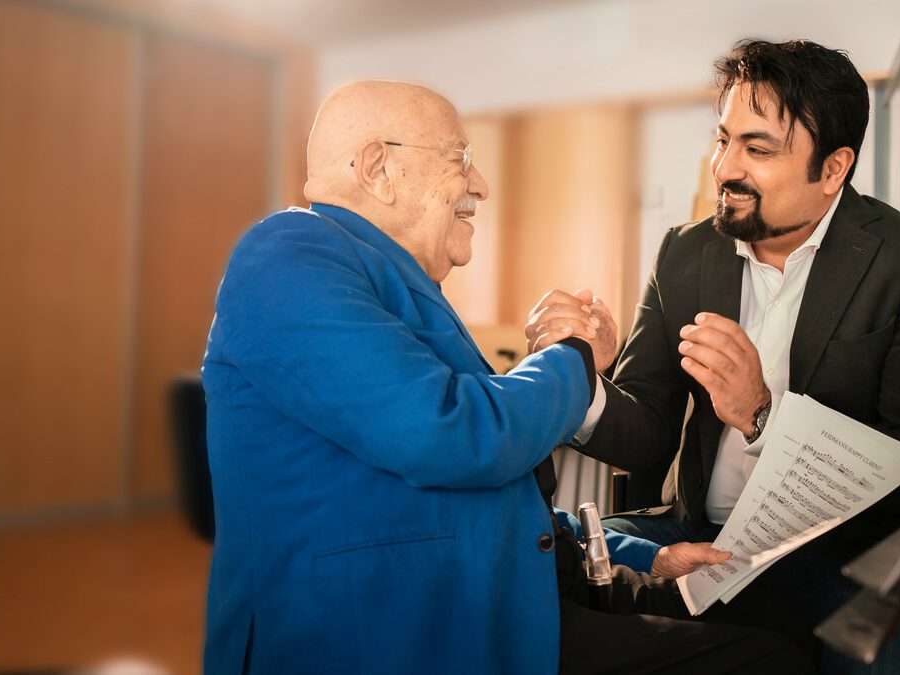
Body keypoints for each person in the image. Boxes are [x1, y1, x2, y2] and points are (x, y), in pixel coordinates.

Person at [201, 80, 806, 674]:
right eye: (460, 159)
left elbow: (496, 495)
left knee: (769, 636)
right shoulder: (288, 254)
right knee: (766, 661)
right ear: (378, 168)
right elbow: (451, 434)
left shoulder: (389, 281)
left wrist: (651, 557)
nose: (480, 185)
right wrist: (573, 355)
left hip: (480, 601)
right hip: (392, 633)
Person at [526, 40, 900, 674]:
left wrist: (762, 416)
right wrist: (585, 374)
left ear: (834, 169)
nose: (724, 168)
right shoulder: (685, 253)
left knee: (882, 650)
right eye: (723, 140)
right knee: (551, 574)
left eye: (758, 149)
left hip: (856, 549)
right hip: (708, 535)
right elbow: (648, 433)